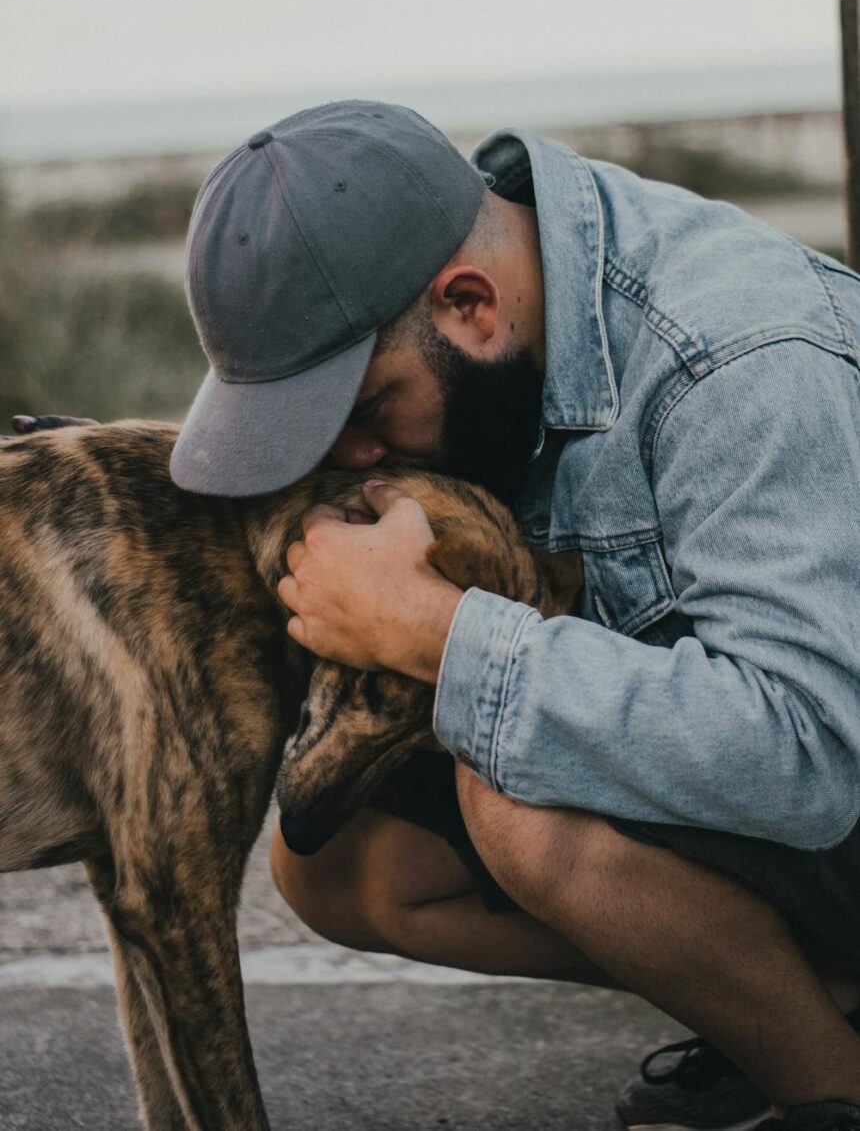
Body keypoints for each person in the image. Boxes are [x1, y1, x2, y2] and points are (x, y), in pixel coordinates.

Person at [25, 101, 860, 1130]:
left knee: (521, 795)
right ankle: (770, 1003)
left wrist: (438, 634)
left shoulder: (737, 364)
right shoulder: (515, 299)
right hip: (801, 805)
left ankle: (830, 1087)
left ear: (468, 305)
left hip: (825, 771)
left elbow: (806, 754)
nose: (354, 461)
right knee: (338, 864)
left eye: (365, 414)